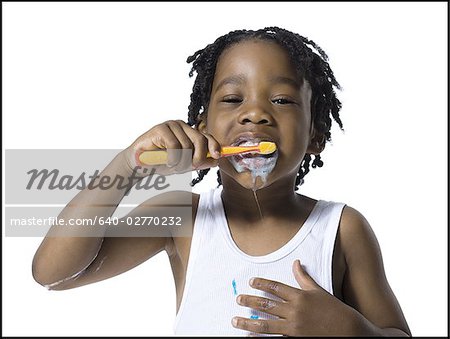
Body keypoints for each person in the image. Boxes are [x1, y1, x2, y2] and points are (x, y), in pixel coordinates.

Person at [32, 27, 411, 336]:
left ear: (315, 135)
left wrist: (352, 331)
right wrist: (127, 163)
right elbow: (51, 273)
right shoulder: (183, 219)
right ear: (203, 129)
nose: (255, 114)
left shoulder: (343, 229)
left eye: (281, 100)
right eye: (232, 99)